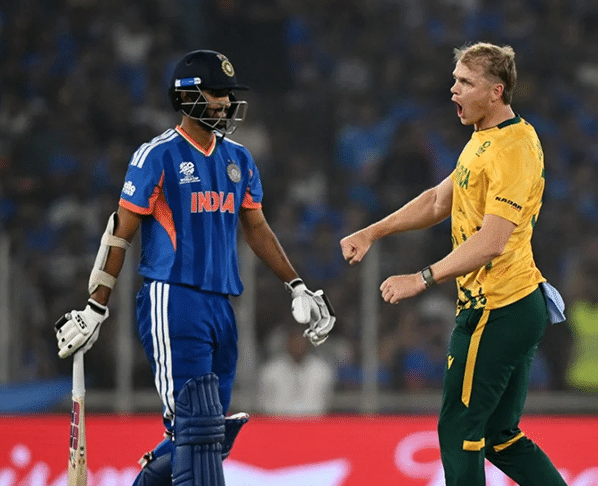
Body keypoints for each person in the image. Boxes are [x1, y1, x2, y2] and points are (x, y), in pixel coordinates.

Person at [54, 50, 335, 486]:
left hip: (222, 305)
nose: (225, 102)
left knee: (208, 434)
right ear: (186, 96)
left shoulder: (239, 158)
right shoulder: (157, 155)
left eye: (228, 94)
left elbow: (257, 229)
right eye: (216, 92)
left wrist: (296, 285)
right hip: (173, 298)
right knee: (197, 427)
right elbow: (119, 233)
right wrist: (95, 307)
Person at [340, 42, 567, 486]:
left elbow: (492, 242)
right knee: (500, 436)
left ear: (496, 91)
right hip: (513, 303)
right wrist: (372, 232)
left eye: (465, 82)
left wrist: (422, 278)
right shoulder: (484, 139)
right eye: (455, 80)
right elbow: (437, 201)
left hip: (497, 307)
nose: (453, 90)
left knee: (459, 430)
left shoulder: (513, 149)